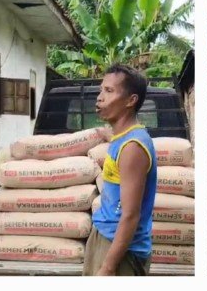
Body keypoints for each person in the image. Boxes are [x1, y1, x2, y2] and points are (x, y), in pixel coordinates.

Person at [84, 64, 158, 276]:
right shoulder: (123, 138)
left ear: (130, 100)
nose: (100, 97)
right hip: (106, 236)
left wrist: (108, 268)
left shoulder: (132, 148)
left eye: (108, 91)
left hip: (121, 251)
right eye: (101, 90)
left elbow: (130, 215)